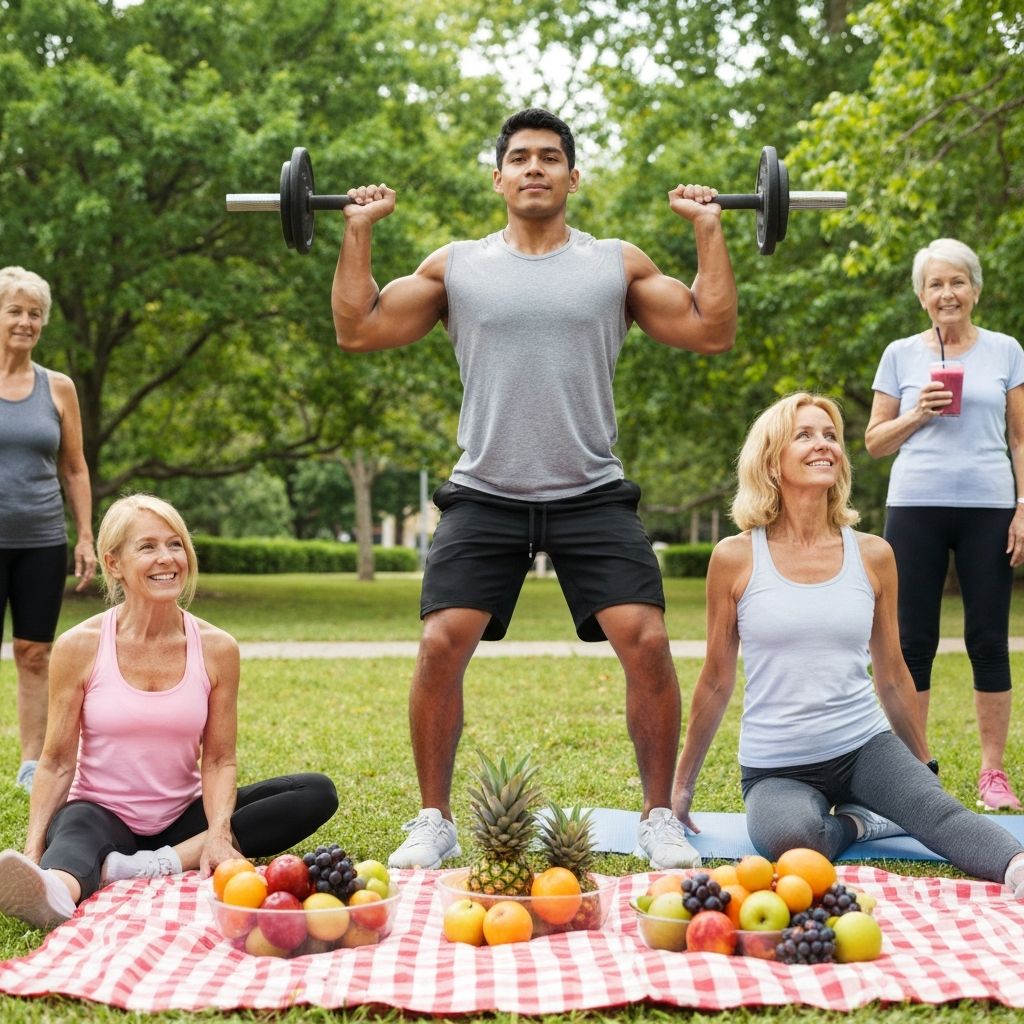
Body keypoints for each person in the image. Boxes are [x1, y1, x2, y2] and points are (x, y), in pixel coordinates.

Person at [332, 108, 738, 870]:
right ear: (498, 178)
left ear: (573, 177)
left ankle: (658, 817)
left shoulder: (615, 264)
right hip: (485, 489)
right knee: (438, 643)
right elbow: (360, 328)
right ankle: (433, 818)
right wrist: (357, 232)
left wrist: (709, 232)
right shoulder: (457, 266)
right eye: (519, 157)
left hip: (590, 489)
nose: (534, 168)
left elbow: (710, 329)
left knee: (647, 641)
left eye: (550, 157)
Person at [670, 393, 1024, 899]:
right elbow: (716, 679)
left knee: (939, 814)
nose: (825, 445)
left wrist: (923, 774)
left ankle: (1015, 866)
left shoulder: (874, 554)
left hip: (862, 745)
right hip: (777, 764)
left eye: (831, 435)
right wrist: (682, 787)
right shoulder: (735, 557)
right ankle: (861, 823)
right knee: (793, 842)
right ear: (771, 459)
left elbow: (893, 674)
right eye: (805, 435)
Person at [0, 494, 338, 932]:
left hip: (182, 818)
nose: (168, 558)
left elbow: (218, 759)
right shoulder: (78, 646)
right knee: (76, 830)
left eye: (175, 544)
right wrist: (32, 848)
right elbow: (58, 760)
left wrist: (217, 832)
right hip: (102, 811)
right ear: (114, 563)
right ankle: (54, 889)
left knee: (315, 792)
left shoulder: (217, 648)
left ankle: (141, 866)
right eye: (148, 547)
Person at [865, 238, 1024, 811]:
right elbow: (874, 442)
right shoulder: (901, 354)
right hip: (916, 507)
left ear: (976, 290)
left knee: (988, 638)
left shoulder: (1006, 350)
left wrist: (1023, 506)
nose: (947, 293)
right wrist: (917, 412)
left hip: (989, 506)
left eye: (957, 281)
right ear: (921, 296)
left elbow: (1020, 437)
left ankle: (992, 774)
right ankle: (916, 770)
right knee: (911, 643)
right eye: (936, 284)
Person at [0, 266, 97, 793]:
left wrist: (85, 535)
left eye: (34, 313)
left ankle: (31, 761)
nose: (25, 321)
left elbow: (75, 467)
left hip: (40, 537)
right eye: (14, 310)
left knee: (34, 652)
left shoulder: (57, 388)